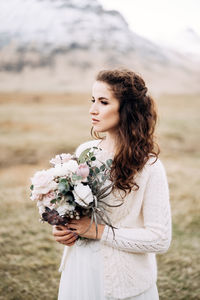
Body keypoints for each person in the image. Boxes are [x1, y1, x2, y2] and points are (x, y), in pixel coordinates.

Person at [52, 68, 172, 300]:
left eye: (103, 102)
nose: (92, 109)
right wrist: (62, 226)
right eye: (93, 100)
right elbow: (78, 211)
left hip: (124, 282)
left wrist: (99, 232)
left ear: (127, 109)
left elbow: (160, 239)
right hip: (79, 268)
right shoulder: (85, 151)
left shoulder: (150, 167)